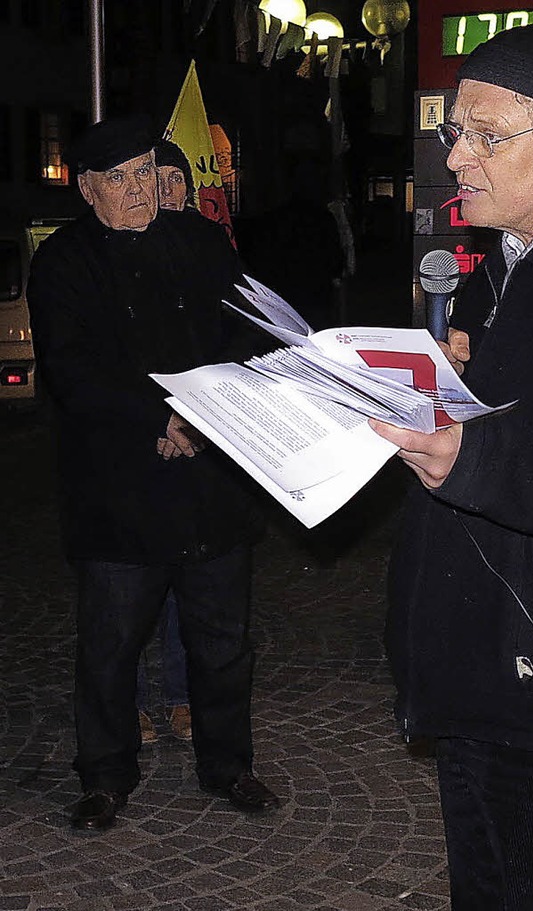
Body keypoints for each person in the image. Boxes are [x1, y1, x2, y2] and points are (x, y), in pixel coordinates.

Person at [371, 20, 533, 909]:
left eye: (488, 135)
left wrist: (476, 456)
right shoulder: (507, 258)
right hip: (484, 673)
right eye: (455, 132)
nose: (457, 158)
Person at [27, 116, 279, 832]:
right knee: (109, 647)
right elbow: (73, 371)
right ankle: (105, 776)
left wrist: (206, 413)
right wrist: (159, 418)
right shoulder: (64, 263)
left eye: (145, 171)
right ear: (87, 189)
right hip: (119, 487)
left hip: (210, 478)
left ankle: (230, 765)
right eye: (120, 178)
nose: (139, 189)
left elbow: (246, 328)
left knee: (224, 642)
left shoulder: (199, 240)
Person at [135, 139, 197, 747]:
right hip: (137, 444)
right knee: (130, 586)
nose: (165, 191)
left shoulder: (208, 251)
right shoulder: (118, 254)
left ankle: (181, 697)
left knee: (188, 583)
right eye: (155, 181)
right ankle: (128, 703)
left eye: (175, 179)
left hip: (199, 445)